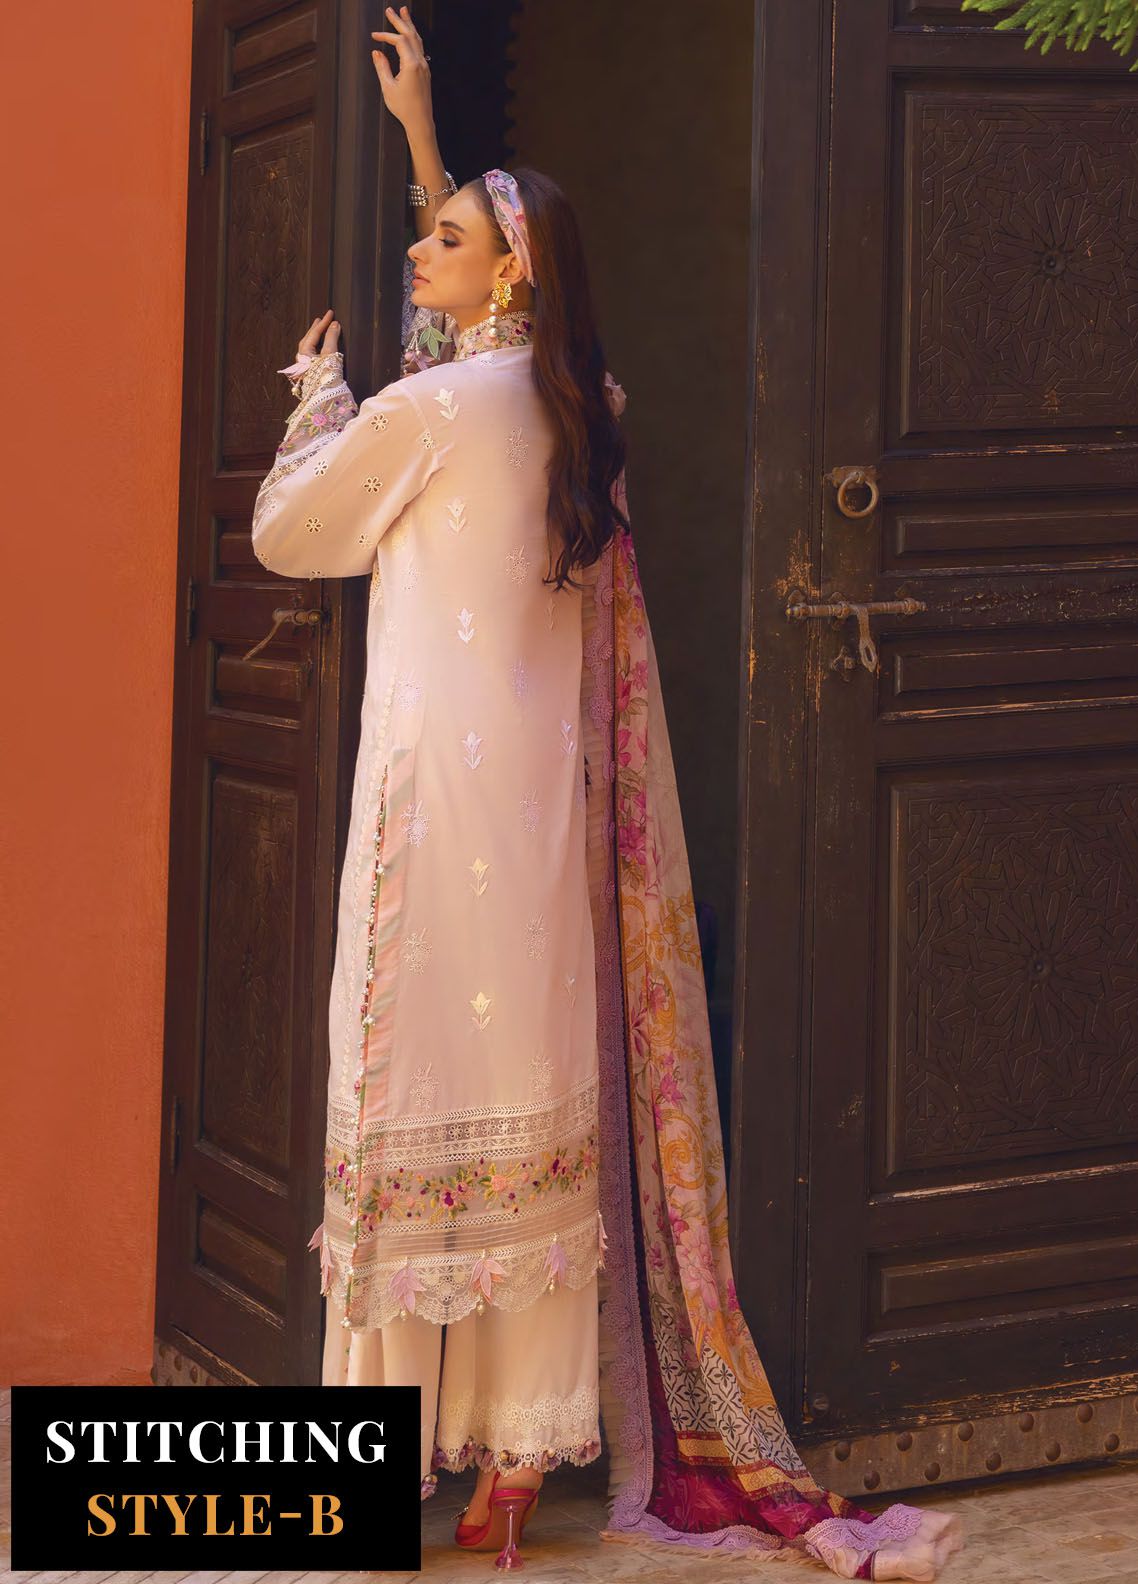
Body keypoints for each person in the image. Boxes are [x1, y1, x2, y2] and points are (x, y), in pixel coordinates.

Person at [250, 7, 965, 1578]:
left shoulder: (422, 413)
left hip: (431, 812)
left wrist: (314, 394)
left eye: (442, 239)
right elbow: (481, 325)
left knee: (406, 1104)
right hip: (542, 826)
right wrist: (423, 143)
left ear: (504, 273)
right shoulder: (583, 407)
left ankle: (369, 1468)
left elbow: (294, 533)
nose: (416, 254)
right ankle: (515, 1463)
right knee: (522, 1117)